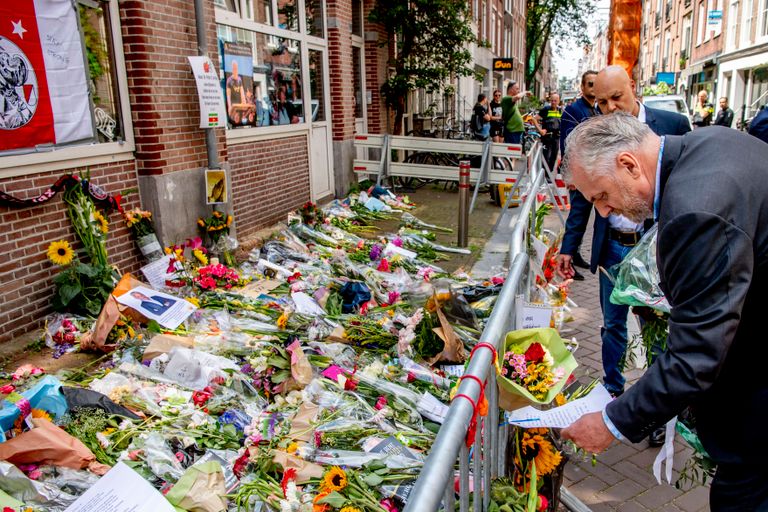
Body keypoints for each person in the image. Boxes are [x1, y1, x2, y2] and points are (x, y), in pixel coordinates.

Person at [560, 113, 768, 511]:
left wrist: (612, 422)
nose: (603, 212)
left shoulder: (696, 208)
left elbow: (696, 355)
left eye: (601, 195)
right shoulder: (712, 142)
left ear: (628, 163)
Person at [557, 65, 690, 447]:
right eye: (601, 101)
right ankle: (612, 390)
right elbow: (587, 198)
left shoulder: (671, 125)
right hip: (614, 247)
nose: (611, 107)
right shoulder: (596, 135)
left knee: (657, 329)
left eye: (617, 97)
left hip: (657, 249)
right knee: (612, 322)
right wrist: (570, 246)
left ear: (633, 88)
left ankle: (657, 409)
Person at [559, 70, 599, 280]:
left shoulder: (598, 109)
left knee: (584, 219)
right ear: (582, 87)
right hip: (581, 175)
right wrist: (571, 176)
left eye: (596, 84)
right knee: (576, 217)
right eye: (590, 84)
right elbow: (567, 145)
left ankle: (575, 253)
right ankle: (568, 260)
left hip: (594, 175)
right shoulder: (573, 111)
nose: (594, 88)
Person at [532, 91, 563, 174]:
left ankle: (549, 173)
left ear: (558, 101)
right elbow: (534, 119)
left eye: (555, 101)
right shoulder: (546, 109)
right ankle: (544, 174)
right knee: (546, 157)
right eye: (552, 100)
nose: (553, 102)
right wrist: (540, 130)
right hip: (547, 137)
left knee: (554, 156)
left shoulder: (560, 110)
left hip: (556, 137)